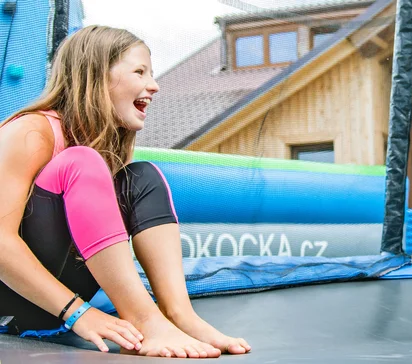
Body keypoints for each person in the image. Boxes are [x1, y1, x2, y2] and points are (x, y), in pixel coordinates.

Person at [0, 25, 251, 357]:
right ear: (98, 76)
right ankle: (146, 320)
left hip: (52, 299)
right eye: (140, 72)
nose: (154, 85)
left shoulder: (108, 148)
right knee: (82, 161)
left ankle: (179, 315)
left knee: (142, 177)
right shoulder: (32, 131)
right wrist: (79, 313)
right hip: (11, 301)